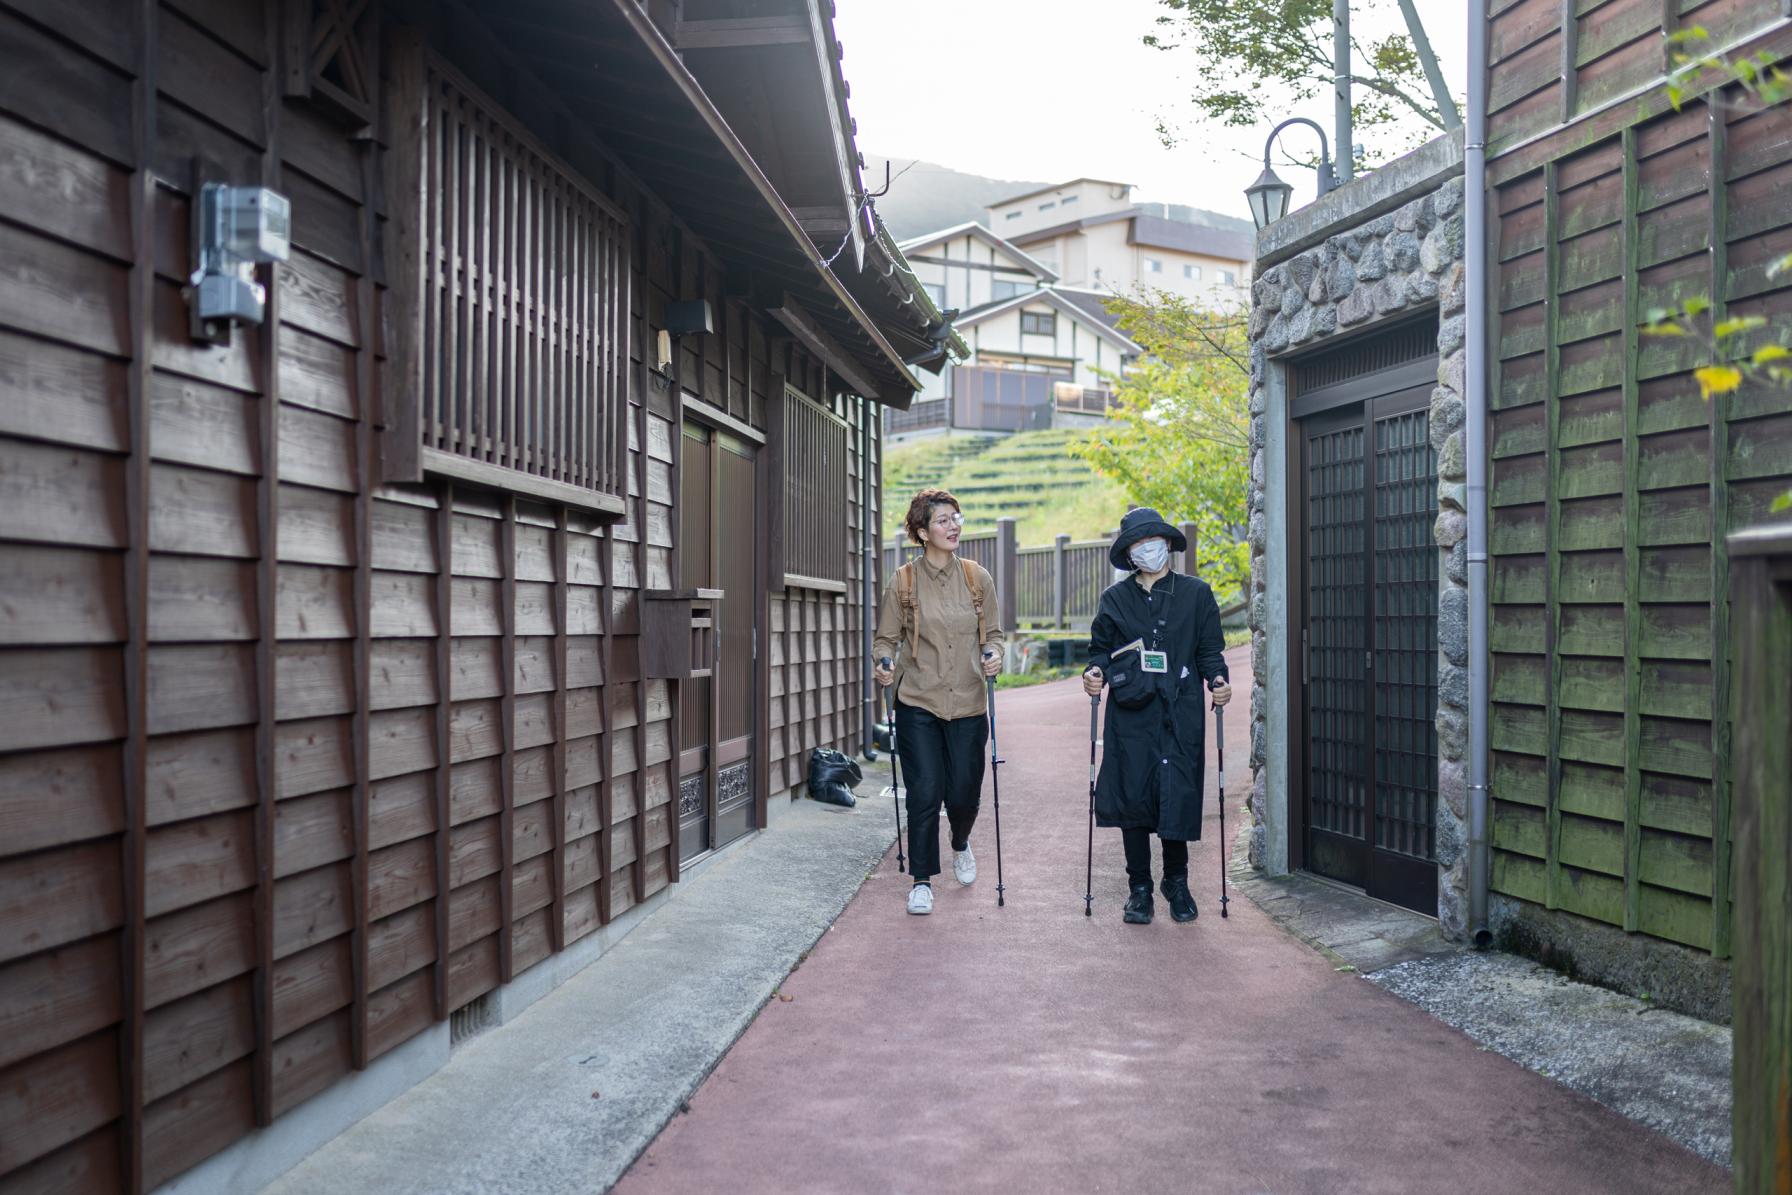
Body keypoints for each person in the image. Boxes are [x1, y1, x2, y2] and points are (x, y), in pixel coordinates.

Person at [1082, 507, 1231, 925]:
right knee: (1133, 794)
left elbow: (1209, 651)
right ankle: (1139, 888)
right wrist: (1094, 674)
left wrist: (1219, 680)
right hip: (1131, 712)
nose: (1151, 549)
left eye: (1157, 540)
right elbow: (1099, 652)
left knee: (1177, 792)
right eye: (1141, 544)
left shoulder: (1196, 594)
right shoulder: (1115, 600)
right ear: (1130, 554)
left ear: (1168, 544)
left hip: (1180, 709)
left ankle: (1177, 882)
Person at [872, 488, 1005, 915]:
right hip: (918, 702)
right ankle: (922, 879)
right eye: (943, 520)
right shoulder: (905, 581)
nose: (953, 526)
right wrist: (884, 662)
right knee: (924, 791)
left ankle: (961, 841)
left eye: (956, 518)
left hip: (968, 702)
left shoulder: (976, 578)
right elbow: (885, 639)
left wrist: (995, 655)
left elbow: (996, 636)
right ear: (922, 531)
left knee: (964, 794)